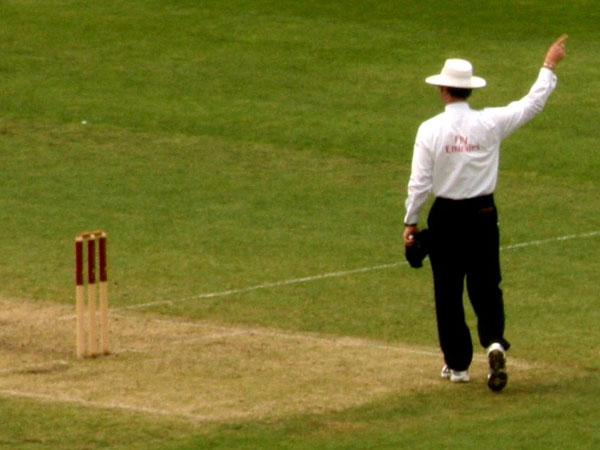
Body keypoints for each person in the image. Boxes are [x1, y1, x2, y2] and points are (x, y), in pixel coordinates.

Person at [403, 35, 568, 392]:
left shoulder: (430, 129)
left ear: (443, 90)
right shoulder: (490, 122)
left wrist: (411, 221)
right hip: (482, 213)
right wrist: (548, 65)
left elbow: (420, 181)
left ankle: (457, 365)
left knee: (448, 292)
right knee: (487, 284)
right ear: (469, 90)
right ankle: (494, 342)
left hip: (446, 216)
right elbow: (531, 104)